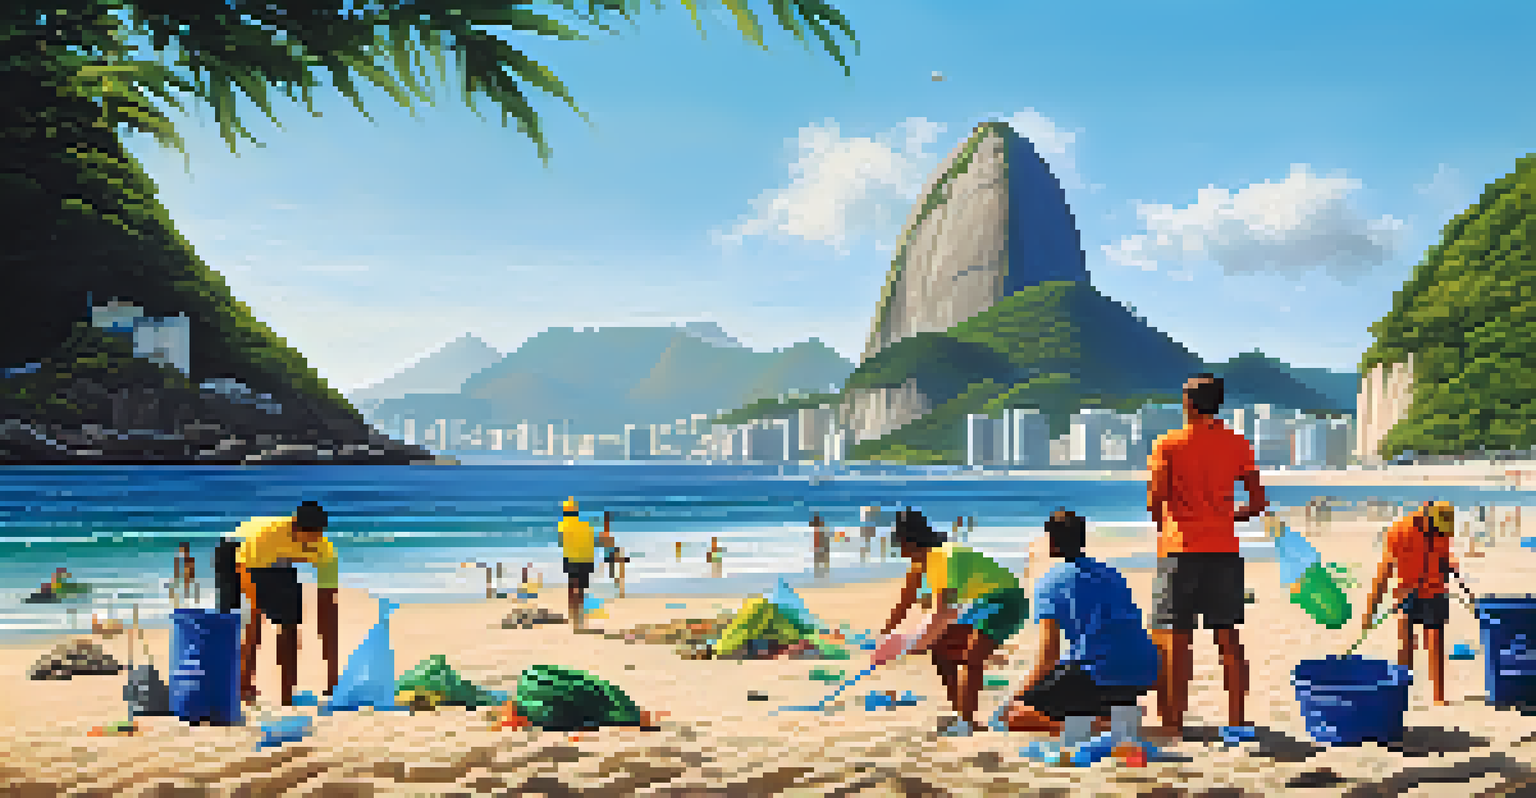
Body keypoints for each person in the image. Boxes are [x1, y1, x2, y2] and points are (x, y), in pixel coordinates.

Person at [1146, 374, 1266, 735]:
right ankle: (1237, 721)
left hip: (1180, 549)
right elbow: (1258, 502)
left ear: (1188, 403)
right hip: (1224, 549)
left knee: (1174, 640)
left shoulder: (1169, 443)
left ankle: (1173, 723)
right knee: (1228, 636)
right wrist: (1226, 517)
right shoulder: (1237, 443)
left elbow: (1155, 500)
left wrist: (1165, 527)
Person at [1001, 510, 1159, 753]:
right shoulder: (1111, 573)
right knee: (1072, 683)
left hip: (1101, 672)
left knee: (1016, 716)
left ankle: (1101, 727)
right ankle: (1109, 714)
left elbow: (1048, 655)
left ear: (1051, 541)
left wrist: (1018, 696)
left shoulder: (1050, 582)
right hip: (1144, 669)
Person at [872, 509, 1029, 737]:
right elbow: (907, 601)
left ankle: (966, 721)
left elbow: (945, 611)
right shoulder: (922, 560)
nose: (898, 550)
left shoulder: (944, 556)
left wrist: (914, 643)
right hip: (979, 603)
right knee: (941, 651)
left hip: (1006, 601)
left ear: (908, 542)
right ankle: (962, 716)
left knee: (971, 657)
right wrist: (885, 635)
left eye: (898, 543)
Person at [232, 501, 340, 706]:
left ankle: (287, 695)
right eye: (308, 538)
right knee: (255, 620)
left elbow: (327, 606)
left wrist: (332, 678)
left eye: (317, 538)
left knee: (291, 626)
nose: (312, 543)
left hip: (280, 561)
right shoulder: (266, 535)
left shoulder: (323, 549)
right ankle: (243, 685)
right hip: (239, 552)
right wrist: (262, 608)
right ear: (295, 528)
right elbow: (247, 580)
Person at [1361, 500, 1467, 706]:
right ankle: (1402, 693)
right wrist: (1371, 611)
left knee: (1436, 641)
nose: (1441, 533)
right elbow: (1384, 573)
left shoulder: (1443, 530)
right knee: (1406, 644)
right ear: (1426, 518)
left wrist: (1449, 567)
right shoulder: (1400, 531)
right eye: (1437, 529)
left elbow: (1443, 556)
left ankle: (1438, 696)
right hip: (1407, 593)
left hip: (1435, 591)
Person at [559, 497, 596, 631]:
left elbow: (561, 540)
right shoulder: (586, 525)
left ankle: (573, 615)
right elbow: (592, 540)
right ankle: (579, 618)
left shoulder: (563, 524)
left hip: (572, 558)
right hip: (586, 559)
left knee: (571, 588)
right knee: (580, 590)